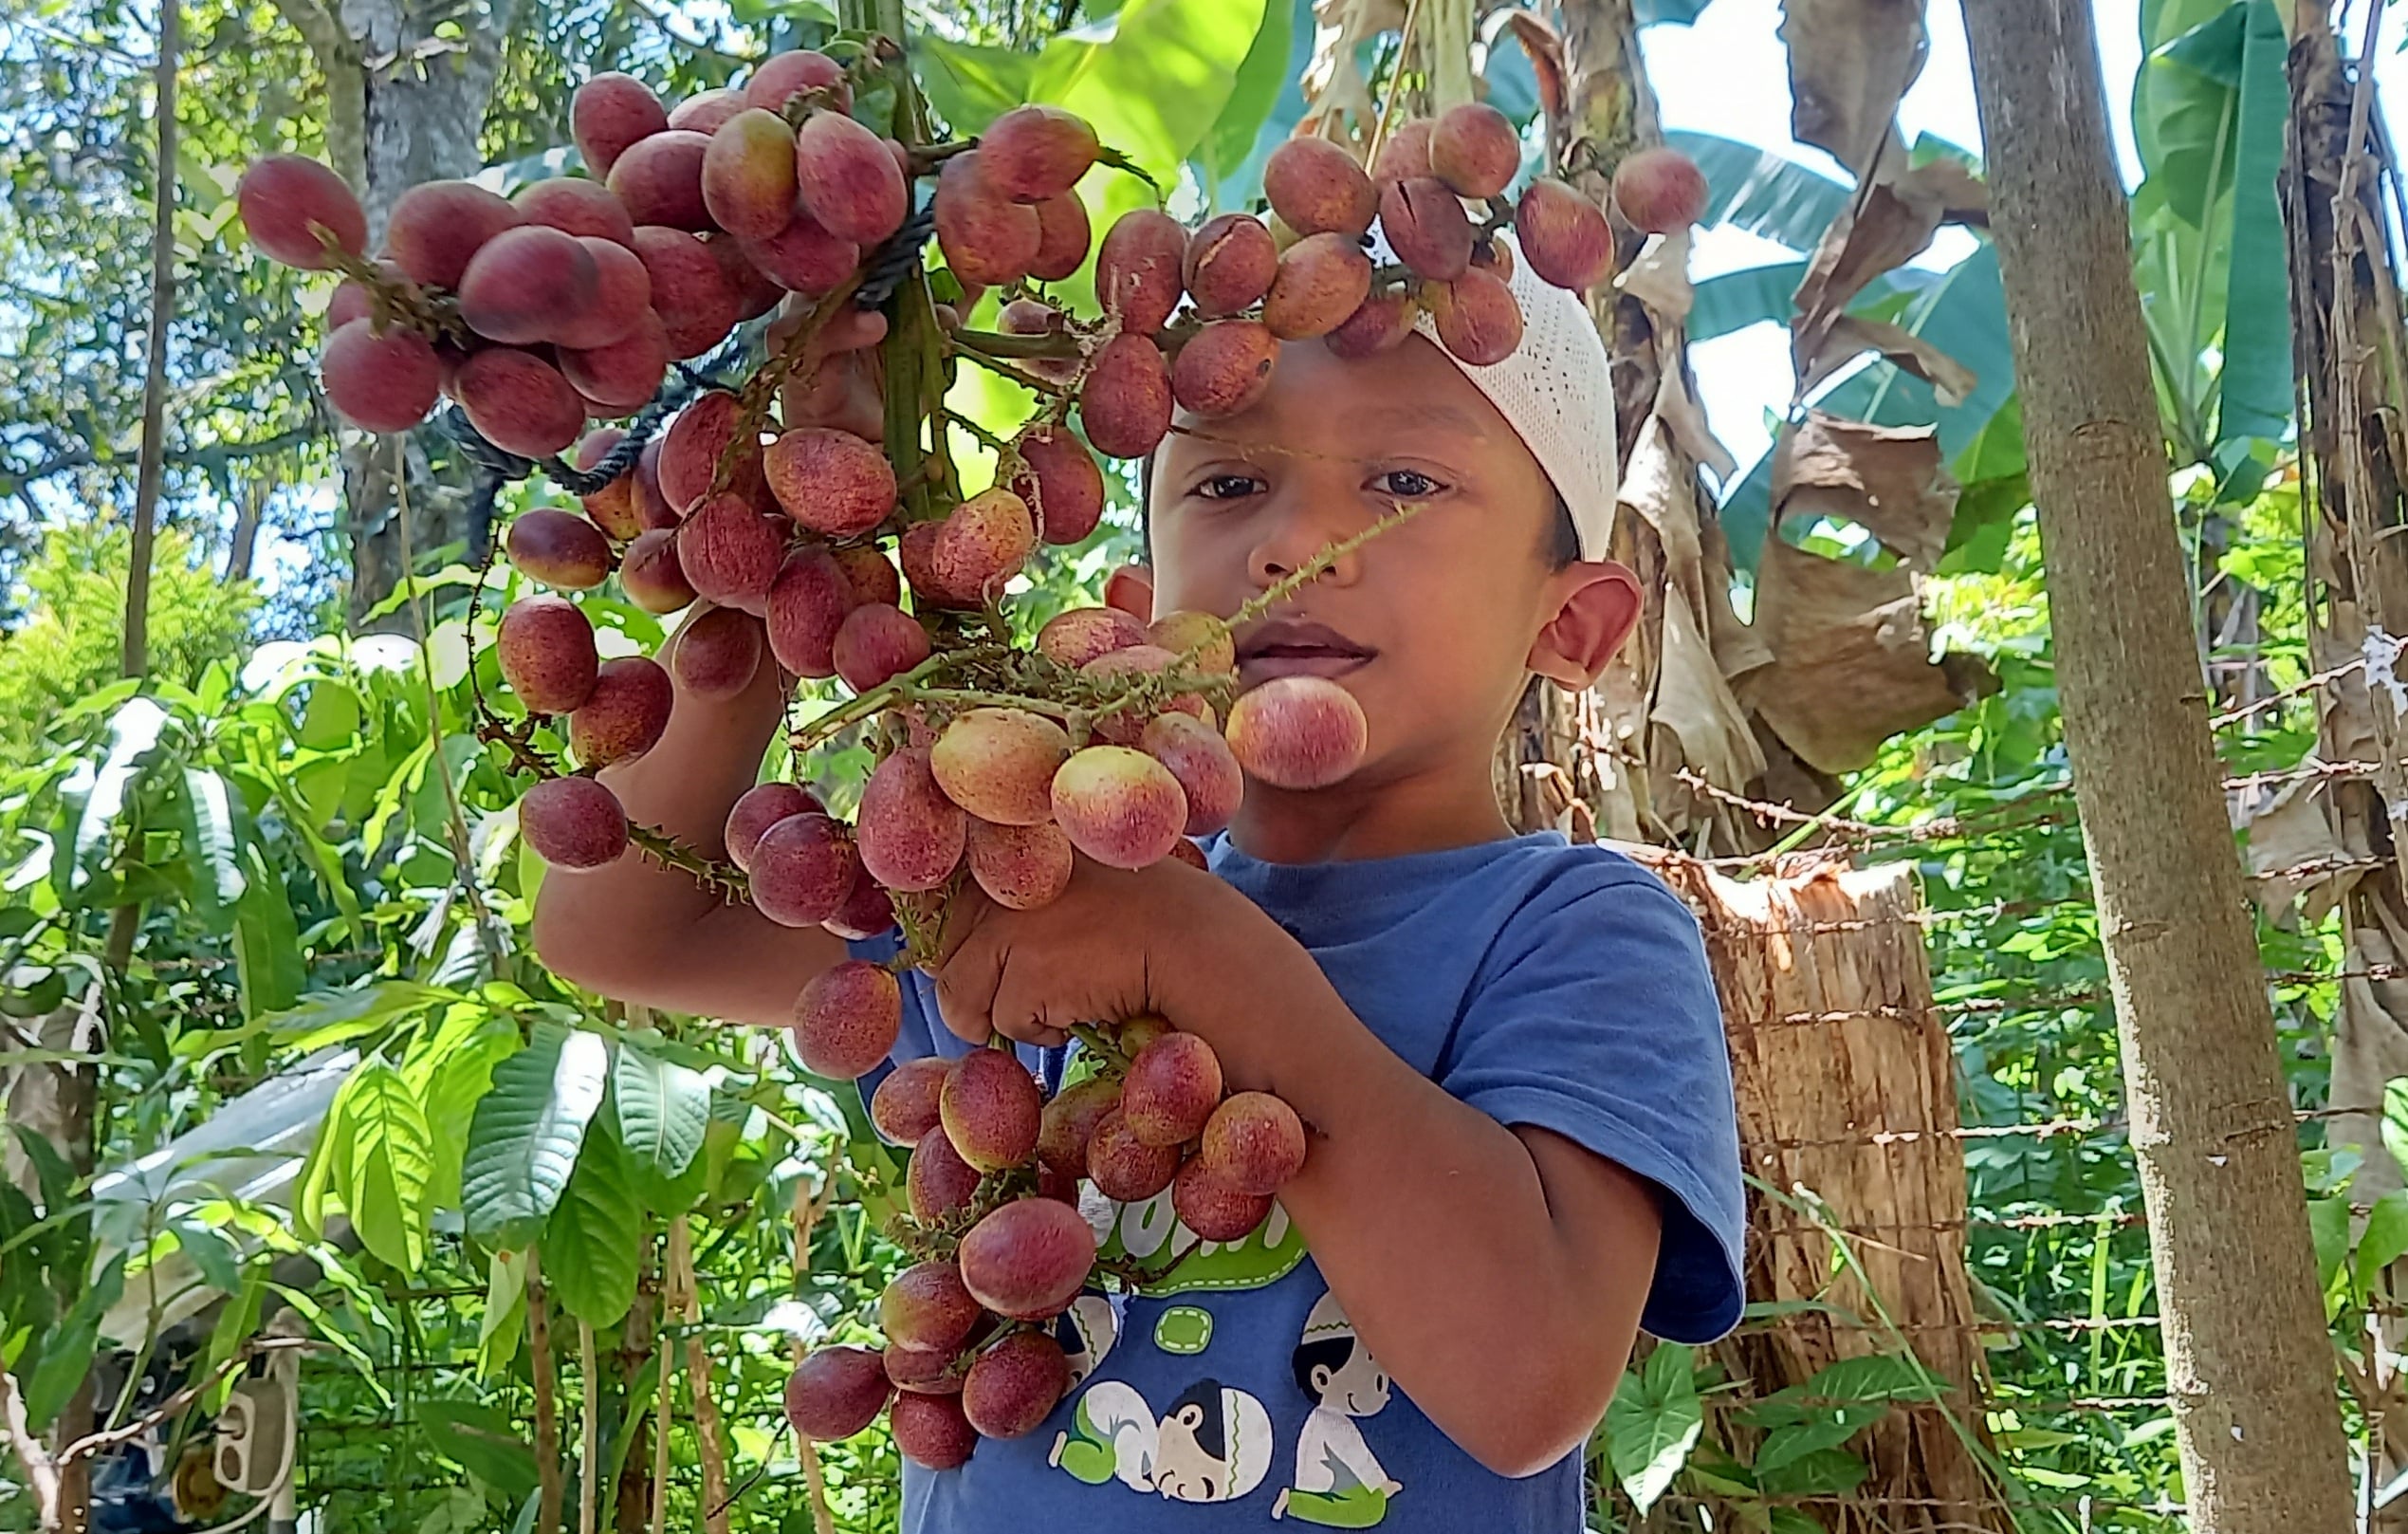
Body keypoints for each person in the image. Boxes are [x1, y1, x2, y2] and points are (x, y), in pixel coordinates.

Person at [533, 231, 1746, 1532]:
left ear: (1573, 623)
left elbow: (1529, 1380)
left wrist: (1202, 956)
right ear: (1135, 592)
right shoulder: (1030, 879)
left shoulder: (1582, 935)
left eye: (1404, 480)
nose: (1296, 544)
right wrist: (787, 553)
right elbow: (623, 928)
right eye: (1228, 481)